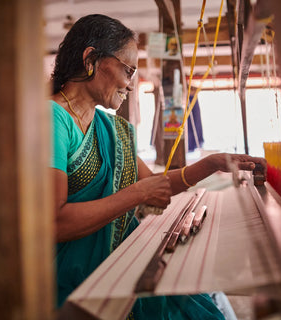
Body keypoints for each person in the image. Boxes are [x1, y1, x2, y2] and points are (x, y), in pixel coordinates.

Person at [49, 14, 266, 319]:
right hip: (78, 284)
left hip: (119, 268)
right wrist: (136, 194)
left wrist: (211, 164)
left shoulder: (110, 128)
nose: (131, 84)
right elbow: (53, 223)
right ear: (91, 59)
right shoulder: (52, 119)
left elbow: (154, 183)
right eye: (129, 70)